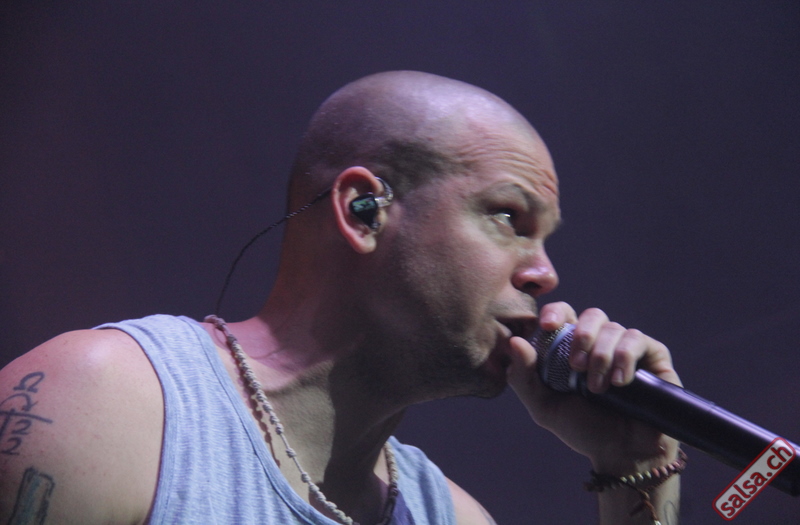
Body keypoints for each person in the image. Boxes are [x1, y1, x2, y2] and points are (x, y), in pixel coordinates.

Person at [0, 71, 683, 524]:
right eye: (509, 216)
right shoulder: (102, 407)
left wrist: (636, 467)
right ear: (364, 210)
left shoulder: (452, 517)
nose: (544, 274)